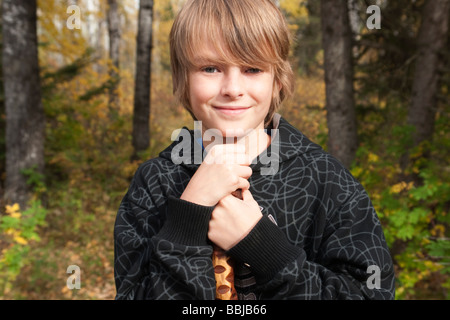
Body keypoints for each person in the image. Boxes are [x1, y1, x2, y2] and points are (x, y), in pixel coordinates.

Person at [114, 0, 395, 300]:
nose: (232, 88)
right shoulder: (154, 183)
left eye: (252, 68)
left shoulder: (327, 181)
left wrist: (264, 248)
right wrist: (188, 218)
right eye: (210, 68)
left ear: (277, 80)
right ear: (183, 77)